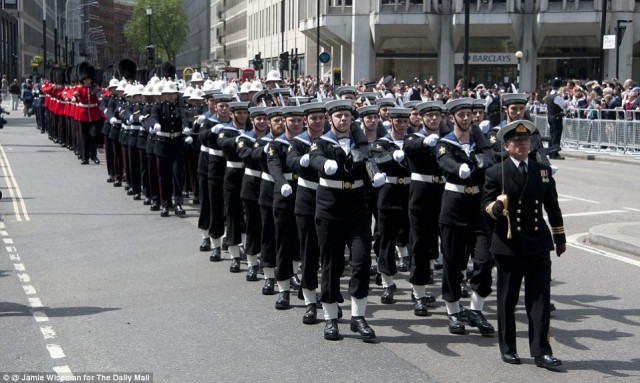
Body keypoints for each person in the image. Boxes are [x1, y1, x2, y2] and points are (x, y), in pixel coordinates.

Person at [482, 119, 566, 369]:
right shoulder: (496, 172)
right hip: (509, 244)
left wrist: (559, 237)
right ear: (506, 146)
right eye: (517, 142)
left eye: (526, 141)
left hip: (538, 243)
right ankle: (508, 348)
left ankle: (542, 351)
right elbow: (485, 207)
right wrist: (496, 207)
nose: (522, 145)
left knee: (539, 298)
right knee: (507, 299)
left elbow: (552, 206)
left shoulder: (542, 170)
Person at [309, 99, 381, 342]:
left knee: (361, 261)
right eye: (338, 116)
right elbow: (316, 157)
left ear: (352, 120)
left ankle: (358, 317)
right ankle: (330, 317)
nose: (343, 120)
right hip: (330, 208)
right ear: (331, 119)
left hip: (357, 208)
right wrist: (324, 164)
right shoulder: (322, 142)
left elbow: (370, 163)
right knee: (331, 264)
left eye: (347, 117)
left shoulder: (360, 142)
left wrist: (376, 175)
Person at [436, 97, 495, 336]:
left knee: (484, 260)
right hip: (454, 205)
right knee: (451, 262)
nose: (466, 118)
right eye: (460, 115)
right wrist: (458, 167)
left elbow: (491, 162)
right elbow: (444, 160)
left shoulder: (480, 141)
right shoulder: (445, 142)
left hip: (477, 206)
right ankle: (453, 311)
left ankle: (476, 309)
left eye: (469, 114)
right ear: (452, 118)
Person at [545, 78, 565, 160]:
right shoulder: (557, 97)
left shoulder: (548, 96)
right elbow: (563, 106)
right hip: (557, 117)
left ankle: (551, 153)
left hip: (550, 116)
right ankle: (555, 153)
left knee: (552, 135)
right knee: (556, 135)